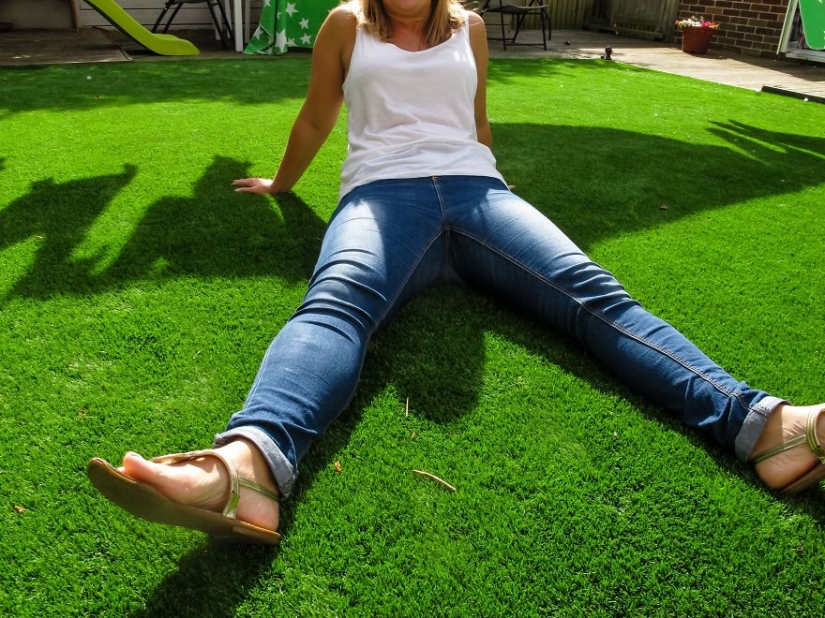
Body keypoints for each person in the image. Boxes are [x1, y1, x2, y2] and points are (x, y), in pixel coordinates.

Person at [88, 0, 825, 545]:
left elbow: (475, 121)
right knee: (336, 302)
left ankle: (765, 429)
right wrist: (283, 184)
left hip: (478, 195)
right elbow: (317, 114)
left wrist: (494, 187)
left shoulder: (470, 27)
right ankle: (247, 465)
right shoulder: (346, 24)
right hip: (381, 195)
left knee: (594, 295)